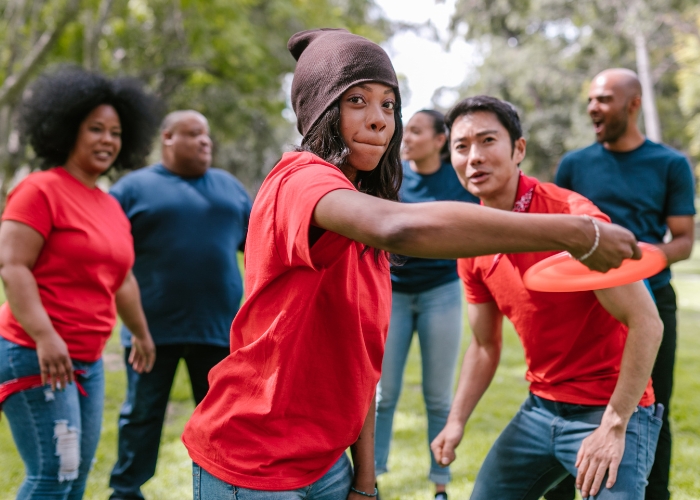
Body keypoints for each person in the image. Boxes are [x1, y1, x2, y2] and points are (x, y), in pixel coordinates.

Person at [181, 29, 641, 500]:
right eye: (356, 100)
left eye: (388, 104)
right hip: (252, 462)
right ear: (321, 108)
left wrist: (363, 481)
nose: (379, 120)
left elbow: (359, 361)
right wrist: (573, 232)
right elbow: (399, 228)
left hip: (327, 465)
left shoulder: (362, 215)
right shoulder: (299, 180)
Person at [430, 95, 664, 500]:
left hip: (610, 409)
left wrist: (612, 425)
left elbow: (647, 322)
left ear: (518, 149)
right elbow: (485, 345)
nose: (474, 158)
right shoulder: (471, 240)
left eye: (488, 141)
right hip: (540, 409)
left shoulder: (575, 222)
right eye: (461, 146)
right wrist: (455, 421)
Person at [0, 68, 158, 500]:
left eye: (116, 132)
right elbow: (13, 266)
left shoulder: (109, 205)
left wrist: (141, 334)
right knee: (55, 474)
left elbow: (121, 277)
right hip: (37, 353)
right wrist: (45, 336)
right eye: (96, 129)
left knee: (75, 478)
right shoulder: (39, 190)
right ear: (69, 128)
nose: (107, 140)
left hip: (85, 359)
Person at [552, 68, 695, 500]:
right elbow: (559, 231)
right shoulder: (574, 165)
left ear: (634, 104)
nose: (594, 107)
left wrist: (634, 263)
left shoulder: (670, 164)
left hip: (652, 302)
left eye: (605, 99)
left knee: (652, 409)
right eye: (592, 99)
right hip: (584, 305)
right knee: (570, 404)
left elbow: (684, 240)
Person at [107, 110, 252, 500]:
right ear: (168, 137)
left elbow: (258, 250)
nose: (205, 142)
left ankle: (227, 489)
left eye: (206, 135)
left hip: (218, 330)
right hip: (150, 334)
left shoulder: (230, 188)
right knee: (141, 416)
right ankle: (125, 491)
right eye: (193, 134)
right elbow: (106, 256)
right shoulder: (132, 189)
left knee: (223, 420)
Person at [375, 109, 478, 499]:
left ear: (439, 140)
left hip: (442, 293)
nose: (407, 138)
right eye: (407, 131)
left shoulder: (459, 178)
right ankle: (373, 478)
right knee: (384, 394)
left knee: (438, 396)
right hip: (394, 293)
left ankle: (440, 485)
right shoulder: (391, 174)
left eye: (417, 131)